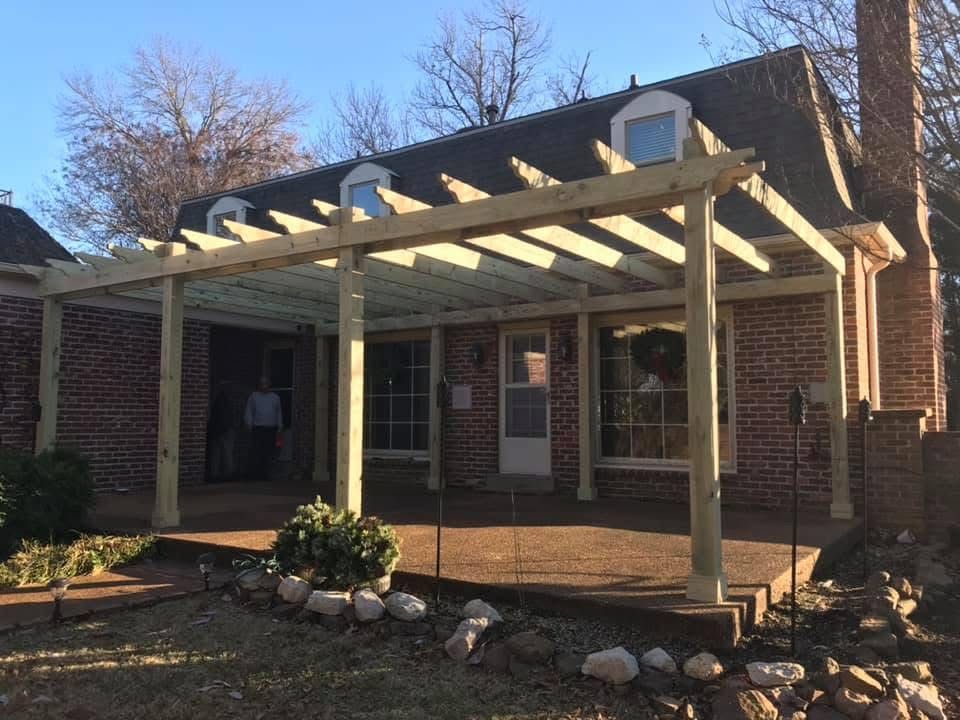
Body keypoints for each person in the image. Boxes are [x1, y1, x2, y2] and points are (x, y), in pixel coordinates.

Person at [244, 376, 283, 482]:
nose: (264, 386)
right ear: (259, 385)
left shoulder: (275, 397)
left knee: (269, 452)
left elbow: (278, 412)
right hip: (258, 428)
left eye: (266, 384)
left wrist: (280, 426)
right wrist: (249, 424)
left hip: (271, 428)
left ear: (269, 384)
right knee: (257, 452)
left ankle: (267, 475)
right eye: (262, 384)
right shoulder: (254, 396)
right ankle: (256, 475)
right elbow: (249, 411)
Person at [207, 381, 236, 482]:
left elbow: (223, 417)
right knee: (224, 453)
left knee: (221, 453)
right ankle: (224, 475)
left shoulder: (220, 400)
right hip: (223, 430)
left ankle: (219, 475)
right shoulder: (226, 400)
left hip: (222, 430)